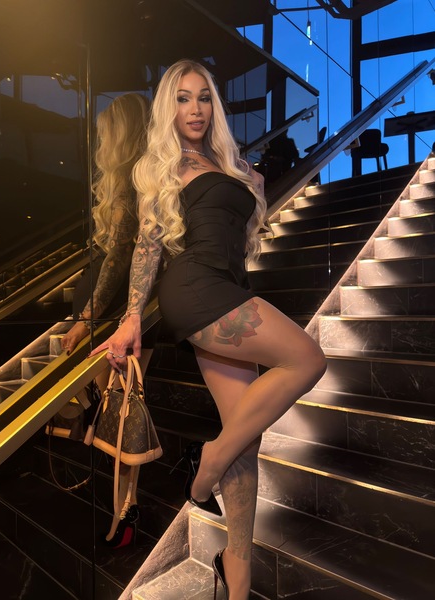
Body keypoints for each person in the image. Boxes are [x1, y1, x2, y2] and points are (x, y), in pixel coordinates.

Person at [91, 60, 326, 598]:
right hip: (198, 291)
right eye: (182, 98)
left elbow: (231, 234)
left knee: (247, 441)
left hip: (227, 286)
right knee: (309, 359)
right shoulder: (162, 165)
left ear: (213, 106)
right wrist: (131, 317)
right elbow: (148, 245)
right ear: (168, 108)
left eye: (202, 98)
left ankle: (236, 576)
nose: (194, 109)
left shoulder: (226, 161)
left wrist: (254, 187)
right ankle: (206, 460)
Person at [61, 92, 156, 548]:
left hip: (116, 314)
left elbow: (118, 256)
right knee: (121, 410)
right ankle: (125, 509)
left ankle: (126, 512)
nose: (101, 142)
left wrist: (86, 317)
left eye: (105, 133)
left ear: (119, 134)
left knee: (121, 412)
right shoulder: (141, 177)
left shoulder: (130, 180)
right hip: (122, 310)